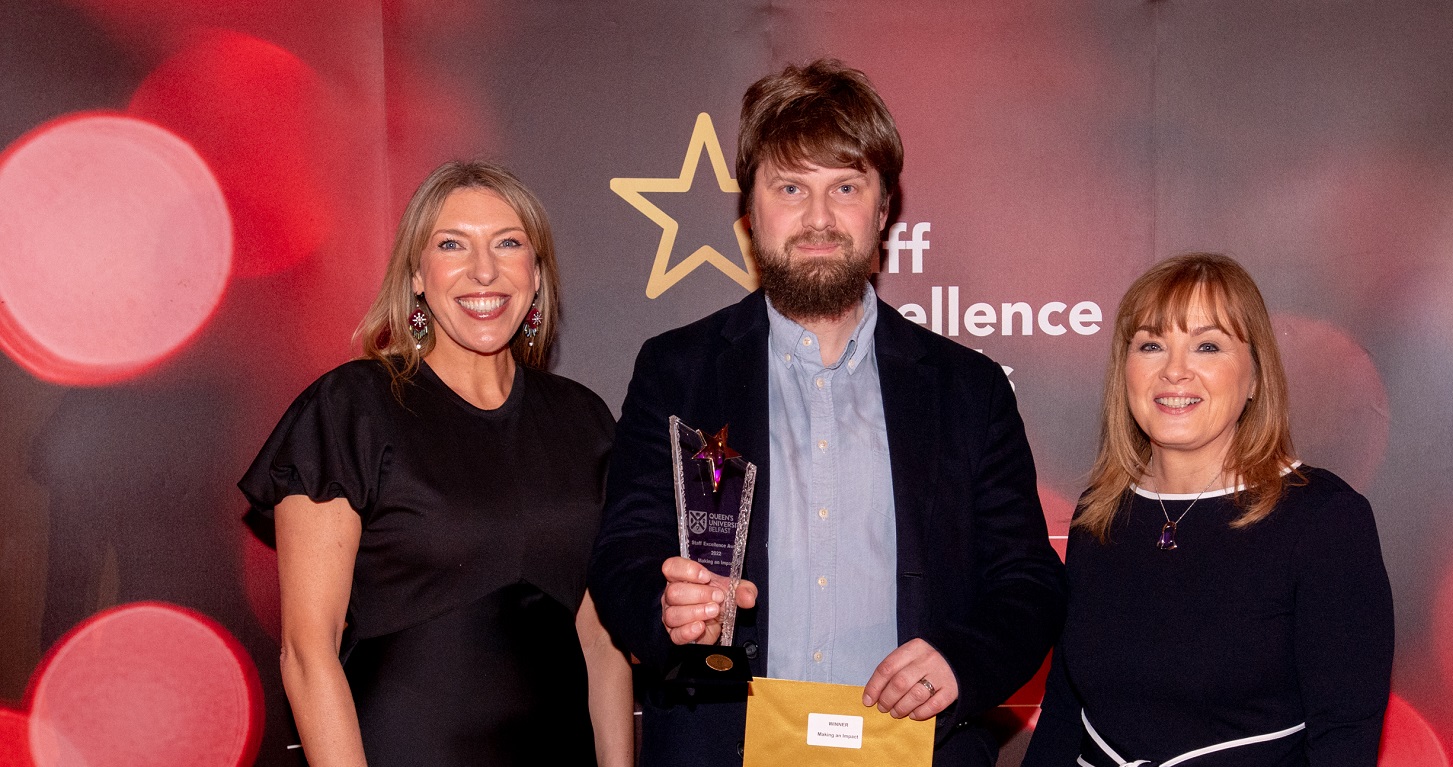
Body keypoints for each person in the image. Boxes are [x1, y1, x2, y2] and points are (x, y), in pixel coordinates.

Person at [588, 59, 1065, 767]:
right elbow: (622, 554)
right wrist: (666, 610)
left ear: (883, 209)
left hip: (918, 752)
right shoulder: (678, 370)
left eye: (845, 186)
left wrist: (960, 660)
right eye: (790, 188)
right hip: (723, 747)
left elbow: (1027, 582)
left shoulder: (969, 389)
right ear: (750, 213)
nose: (818, 218)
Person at [239, 161, 633, 767]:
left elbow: (602, 643)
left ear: (535, 273)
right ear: (418, 275)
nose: (484, 270)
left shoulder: (583, 421)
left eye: (508, 244)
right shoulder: (352, 409)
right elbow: (306, 651)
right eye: (452, 244)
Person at [1022, 253, 1394, 767]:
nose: (1175, 370)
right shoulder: (1098, 515)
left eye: (1208, 346)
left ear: (1256, 377)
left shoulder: (1324, 520)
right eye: (1151, 345)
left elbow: (1345, 740)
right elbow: (1064, 715)